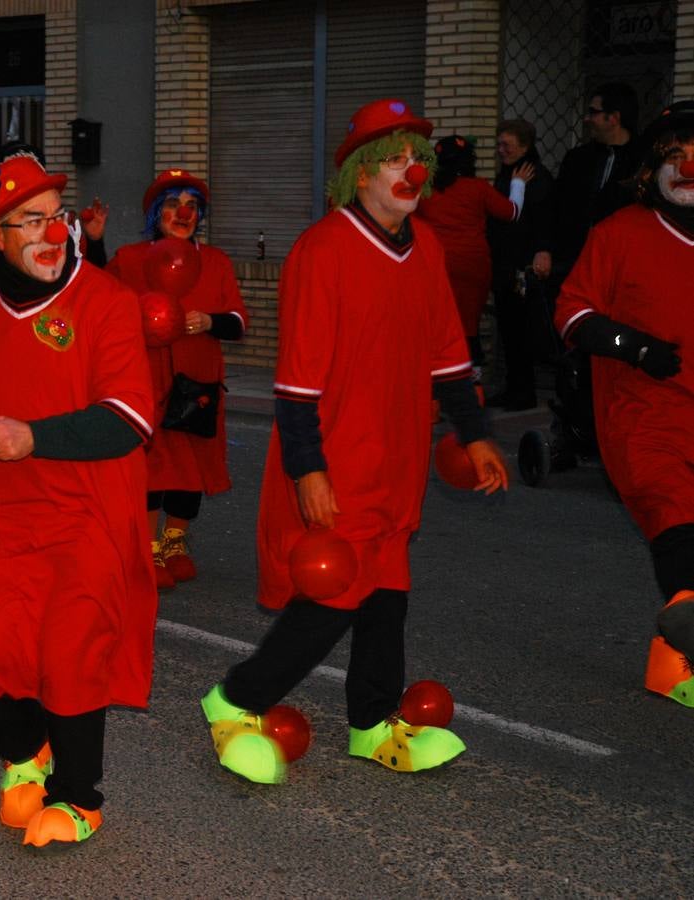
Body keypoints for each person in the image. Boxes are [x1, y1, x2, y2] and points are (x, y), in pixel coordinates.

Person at [200, 99, 509, 785]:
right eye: (392, 159)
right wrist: (308, 469)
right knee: (336, 596)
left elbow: (447, 357)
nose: (409, 172)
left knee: (386, 594)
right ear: (358, 174)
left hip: (396, 459)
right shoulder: (323, 249)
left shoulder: (424, 246)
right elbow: (296, 384)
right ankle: (233, 699)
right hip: (337, 459)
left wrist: (476, 433)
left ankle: (371, 725)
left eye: (416, 160)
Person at [0, 154, 156, 848]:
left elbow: (129, 418)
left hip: (86, 510)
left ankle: (77, 797)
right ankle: (26, 757)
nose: (50, 232)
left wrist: (33, 435)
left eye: (55, 215)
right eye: (27, 220)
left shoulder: (106, 301)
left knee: (69, 656)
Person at [552, 99, 694, 708]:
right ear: (649, 170)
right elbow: (569, 315)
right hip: (644, 414)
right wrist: (629, 344)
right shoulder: (619, 234)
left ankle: (674, 665)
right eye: (673, 154)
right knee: (675, 513)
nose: (688, 165)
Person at [105, 170, 247, 589]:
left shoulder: (215, 261)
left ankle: (174, 540)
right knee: (152, 463)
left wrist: (210, 320)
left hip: (197, 382)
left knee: (192, 464)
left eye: (192, 205)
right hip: (144, 379)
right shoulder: (131, 258)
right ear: (156, 212)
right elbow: (96, 300)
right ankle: (146, 544)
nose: (182, 213)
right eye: (172, 203)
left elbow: (238, 321)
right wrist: (93, 241)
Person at [414, 135, 533, 378]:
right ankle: (472, 384)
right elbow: (512, 212)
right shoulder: (478, 188)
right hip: (473, 266)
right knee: (468, 326)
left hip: (435, 266)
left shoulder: (426, 191)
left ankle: (437, 384)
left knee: (437, 326)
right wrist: (518, 183)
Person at [487, 119, 556, 410]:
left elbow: (542, 219)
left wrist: (542, 249)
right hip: (505, 262)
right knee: (509, 328)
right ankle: (514, 386)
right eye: (499, 144)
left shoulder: (535, 177)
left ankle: (523, 390)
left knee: (521, 330)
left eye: (508, 145)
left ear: (525, 146)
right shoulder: (510, 175)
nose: (501, 150)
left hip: (522, 264)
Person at [547, 82, 642, 283]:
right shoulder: (577, 159)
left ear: (614, 118)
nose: (587, 119)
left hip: (622, 266)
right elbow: (555, 207)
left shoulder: (642, 162)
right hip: (574, 263)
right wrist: (544, 248)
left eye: (594, 112)